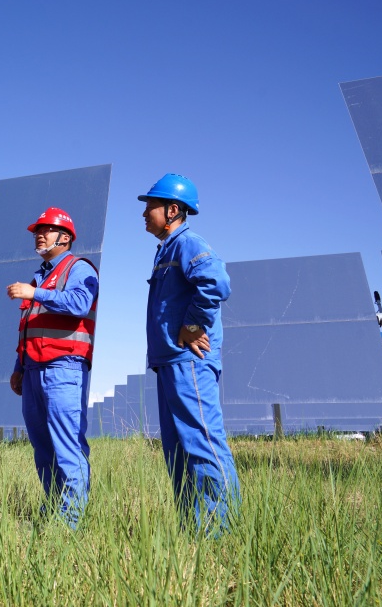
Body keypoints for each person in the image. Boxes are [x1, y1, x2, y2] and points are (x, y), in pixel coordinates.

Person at [139, 173, 240, 533]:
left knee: (202, 444)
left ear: (173, 210)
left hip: (189, 362)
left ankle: (220, 533)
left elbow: (217, 282)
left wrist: (194, 325)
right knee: (178, 452)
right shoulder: (165, 250)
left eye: (150, 205)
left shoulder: (188, 242)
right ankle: (193, 531)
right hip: (169, 362)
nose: (144, 212)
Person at [6, 207, 99, 528]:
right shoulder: (39, 277)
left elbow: (79, 303)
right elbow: (29, 325)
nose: (39, 235)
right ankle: (54, 511)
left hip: (64, 368)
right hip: (33, 371)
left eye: (46, 229)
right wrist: (19, 366)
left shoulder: (79, 268)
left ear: (66, 237)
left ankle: (71, 522)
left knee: (67, 443)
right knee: (42, 447)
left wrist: (36, 293)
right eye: (37, 230)